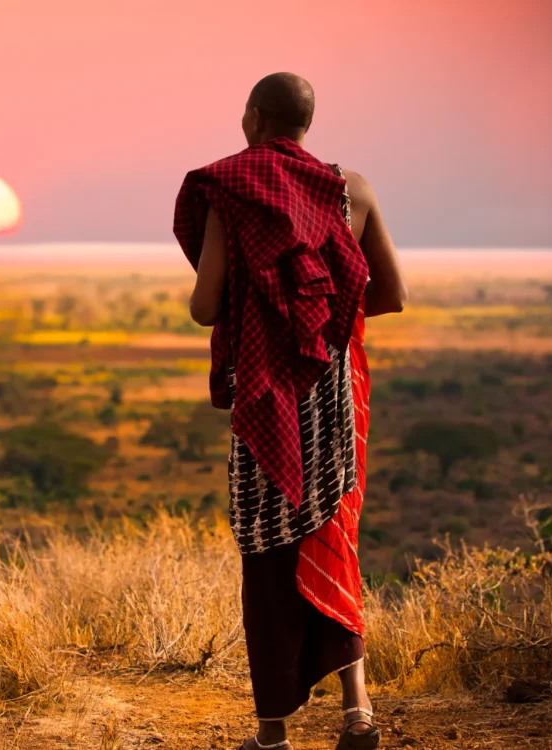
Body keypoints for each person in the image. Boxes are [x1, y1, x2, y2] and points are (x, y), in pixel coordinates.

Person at [173, 72, 408, 750]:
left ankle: (272, 732)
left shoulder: (230, 192)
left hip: (265, 399)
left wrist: (266, 311)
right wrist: (318, 311)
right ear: (306, 123)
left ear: (251, 119)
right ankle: (357, 713)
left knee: (266, 549)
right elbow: (389, 294)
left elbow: (203, 306)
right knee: (329, 536)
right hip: (330, 393)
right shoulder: (352, 189)